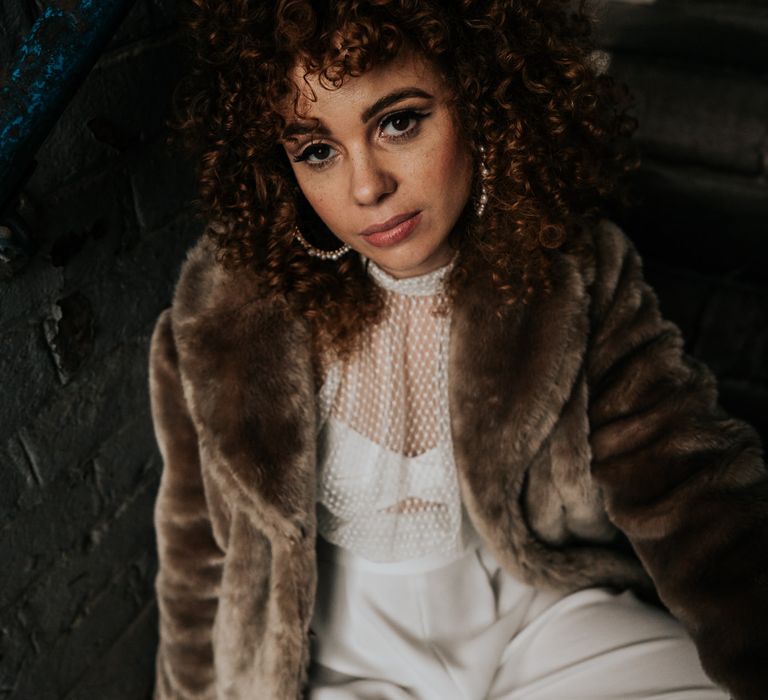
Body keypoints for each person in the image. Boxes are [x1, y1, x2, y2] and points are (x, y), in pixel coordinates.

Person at [148, 1, 768, 698]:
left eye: (399, 121)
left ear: (481, 102)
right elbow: (196, 557)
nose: (366, 187)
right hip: (338, 652)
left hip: (538, 614)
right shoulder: (219, 317)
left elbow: (688, 481)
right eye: (317, 150)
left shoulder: (570, 272)